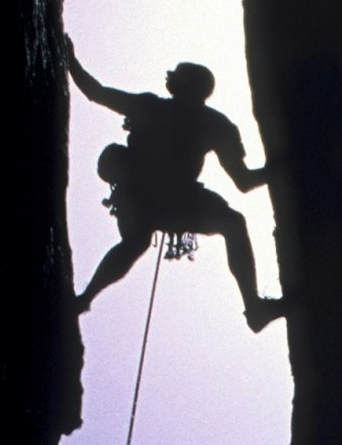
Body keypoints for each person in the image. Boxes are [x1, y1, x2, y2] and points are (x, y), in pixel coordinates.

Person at [66, 39, 286, 328]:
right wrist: (280, 168)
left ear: (188, 85)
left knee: (137, 240)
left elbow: (96, 93)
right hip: (170, 198)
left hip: (149, 197)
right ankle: (254, 308)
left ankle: (85, 298)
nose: (170, 78)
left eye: (178, 75)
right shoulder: (215, 124)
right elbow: (243, 180)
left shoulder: (152, 108)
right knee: (232, 224)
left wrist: (70, 60)